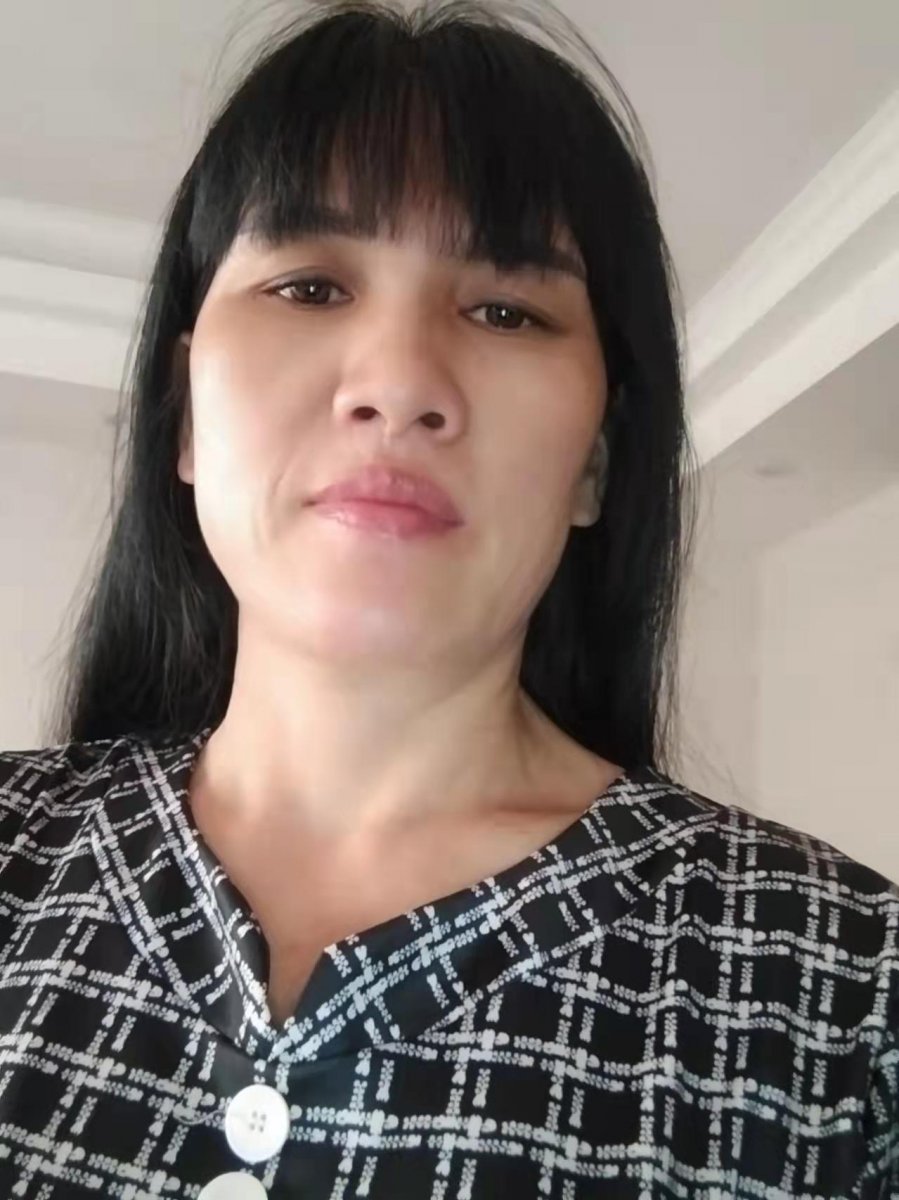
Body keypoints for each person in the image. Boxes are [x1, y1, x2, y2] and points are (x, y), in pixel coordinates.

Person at [0, 0, 895, 1196]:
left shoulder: (845, 992)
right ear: (186, 418)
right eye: (309, 287)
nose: (398, 383)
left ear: (594, 464)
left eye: (505, 312)